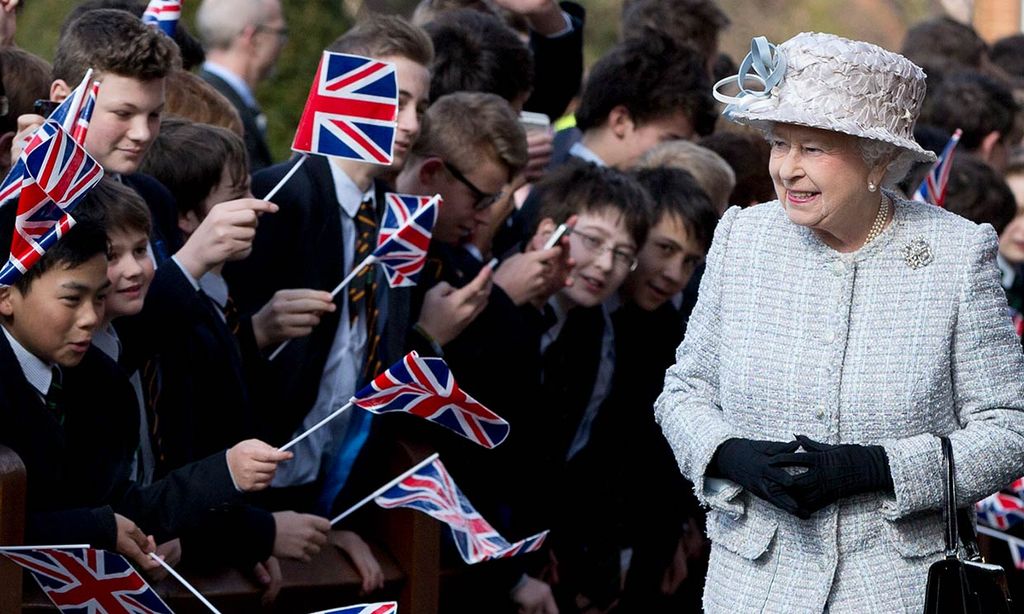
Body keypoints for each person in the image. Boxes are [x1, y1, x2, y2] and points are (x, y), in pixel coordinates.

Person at [656, 32, 1024, 612]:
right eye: (781, 144)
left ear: (879, 159)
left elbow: (1008, 428)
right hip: (752, 584)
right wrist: (729, 455)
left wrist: (877, 468)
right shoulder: (741, 238)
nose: (787, 170)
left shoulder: (955, 253)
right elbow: (684, 391)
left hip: (897, 588)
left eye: (814, 149)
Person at [196, 0, 288, 171]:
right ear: (253, 39)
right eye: (280, 33)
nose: (282, 43)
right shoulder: (216, 109)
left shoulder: (202, 96)